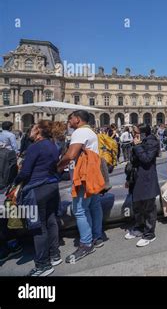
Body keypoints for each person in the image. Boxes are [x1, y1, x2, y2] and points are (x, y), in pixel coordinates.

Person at [14, 120, 61, 276]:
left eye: (32, 129)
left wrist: (15, 180)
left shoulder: (34, 147)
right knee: (51, 220)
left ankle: (43, 265)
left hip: (36, 188)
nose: (30, 131)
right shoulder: (52, 144)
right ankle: (55, 255)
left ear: (39, 131)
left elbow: (26, 172)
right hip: (51, 186)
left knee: (37, 227)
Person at [57, 110, 105, 263]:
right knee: (95, 206)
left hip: (83, 176)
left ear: (77, 119)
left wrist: (57, 166)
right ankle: (97, 237)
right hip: (93, 174)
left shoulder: (79, 132)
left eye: (70, 118)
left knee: (79, 210)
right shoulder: (91, 132)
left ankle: (86, 243)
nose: (68, 121)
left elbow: (71, 155)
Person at [124, 124, 160, 247]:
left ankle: (150, 234)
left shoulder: (152, 142)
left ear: (143, 133)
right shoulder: (137, 141)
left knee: (149, 207)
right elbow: (133, 161)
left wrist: (138, 146)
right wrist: (128, 178)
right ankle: (139, 227)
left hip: (147, 178)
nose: (133, 134)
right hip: (136, 178)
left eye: (135, 132)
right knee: (137, 205)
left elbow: (147, 159)